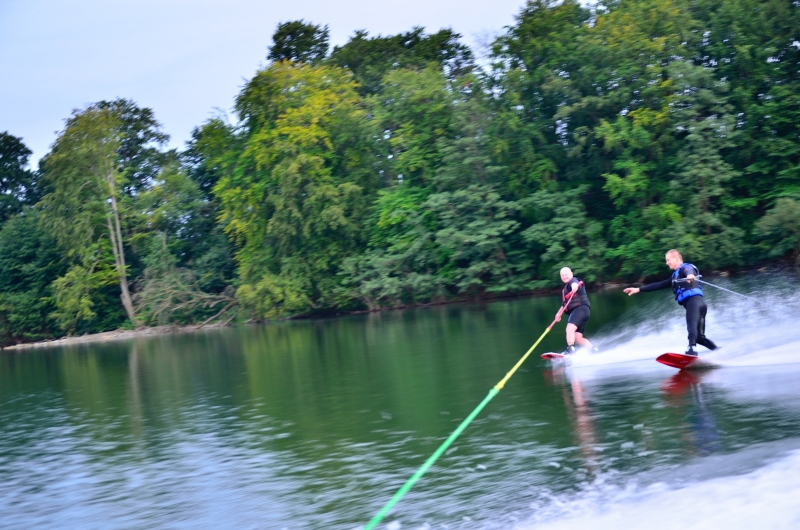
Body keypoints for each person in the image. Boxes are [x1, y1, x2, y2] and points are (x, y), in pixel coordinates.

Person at [623, 249, 718, 356]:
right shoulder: (674, 277)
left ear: (676, 258)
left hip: (694, 302)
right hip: (701, 305)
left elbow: (688, 270)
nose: (666, 263)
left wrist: (690, 275)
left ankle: (691, 350)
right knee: (700, 338)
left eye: (668, 260)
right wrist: (638, 289)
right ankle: (719, 351)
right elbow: (658, 285)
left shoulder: (686, 267)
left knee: (691, 324)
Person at [556, 267, 595, 355]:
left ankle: (570, 349)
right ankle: (594, 350)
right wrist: (559, 314)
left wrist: (574, 287)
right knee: (577, 337)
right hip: (584, 312)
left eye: (566, 274)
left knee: (569, 328)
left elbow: (575, 284)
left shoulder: (573, 281)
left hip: (580, 309)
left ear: (572, 274)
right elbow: (565, 304)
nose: (564, 276)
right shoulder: (566, 288)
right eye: (562, 275)